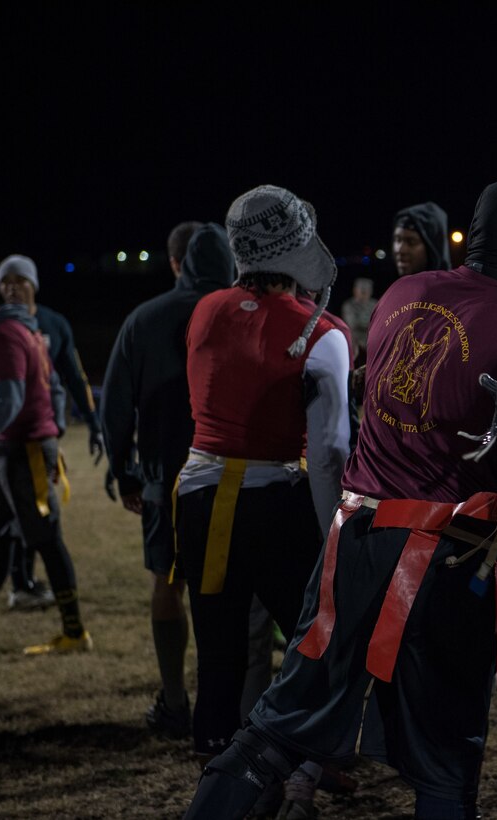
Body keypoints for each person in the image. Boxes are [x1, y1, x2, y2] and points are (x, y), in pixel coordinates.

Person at [184, 178, 497, 820]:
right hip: (442, 559)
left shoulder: (403, 292)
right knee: (446, 760)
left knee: (277, 725)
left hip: (354, 541)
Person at [175, 185, 351, 772]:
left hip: (201, 499)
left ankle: (223, 775)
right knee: (315, 642)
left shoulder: (206, 308)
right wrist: (334, 539)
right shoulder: (322, 335)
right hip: (274, 503)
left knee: (218, 656)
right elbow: (327, 456)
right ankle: (302, 762)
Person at [100, 219, 228, 739]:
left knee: (167, 582)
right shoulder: (246, 314)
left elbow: (114, 407)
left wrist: (125, 473)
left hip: (167, 482)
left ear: (176, 264)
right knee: (234, 593)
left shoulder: (143, 319)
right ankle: (233, 706)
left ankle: (175, 701)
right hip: (239, 477)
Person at [0, 254, 106, 612]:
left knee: (39, 531)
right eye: (5, 281)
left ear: (34, 284)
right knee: (1, 531)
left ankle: (70, 625)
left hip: (25, 443)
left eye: (19, 280)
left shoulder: (19, 331)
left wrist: (71, 425)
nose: (12, 287)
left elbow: (63, 379)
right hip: (12, 443)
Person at [392, 201, 451, 277]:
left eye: (411, 242)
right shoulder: (392, 287)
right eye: (397, 240)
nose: (400, 250)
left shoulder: (449, 288)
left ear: (432, 248)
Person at [340, 276, 376, 363]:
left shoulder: (375, 304)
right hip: (355, 346)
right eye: (361, 289)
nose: (364, 292)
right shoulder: (348, 305)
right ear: (355, 290)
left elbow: (380, 324)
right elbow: (352, 324)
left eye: (367, 289)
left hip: (372, 346)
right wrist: (370, 323)